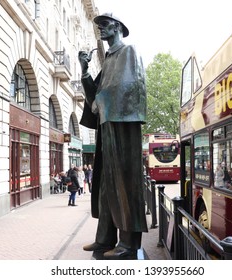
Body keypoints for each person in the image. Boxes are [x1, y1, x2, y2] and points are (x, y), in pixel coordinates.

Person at [78, 12, 147, 259]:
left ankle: (128, 243)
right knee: (107, 185)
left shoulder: (128, 52)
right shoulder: (107, 60)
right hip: (108, 124)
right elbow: (94, 96)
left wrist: (102, 100)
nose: (101, 30)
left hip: (122, 124)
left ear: (117, 27)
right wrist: (85, 71)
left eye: (105, 25)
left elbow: (132, 86)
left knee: (124, 182)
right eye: (99, 26)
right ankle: (104, 239)